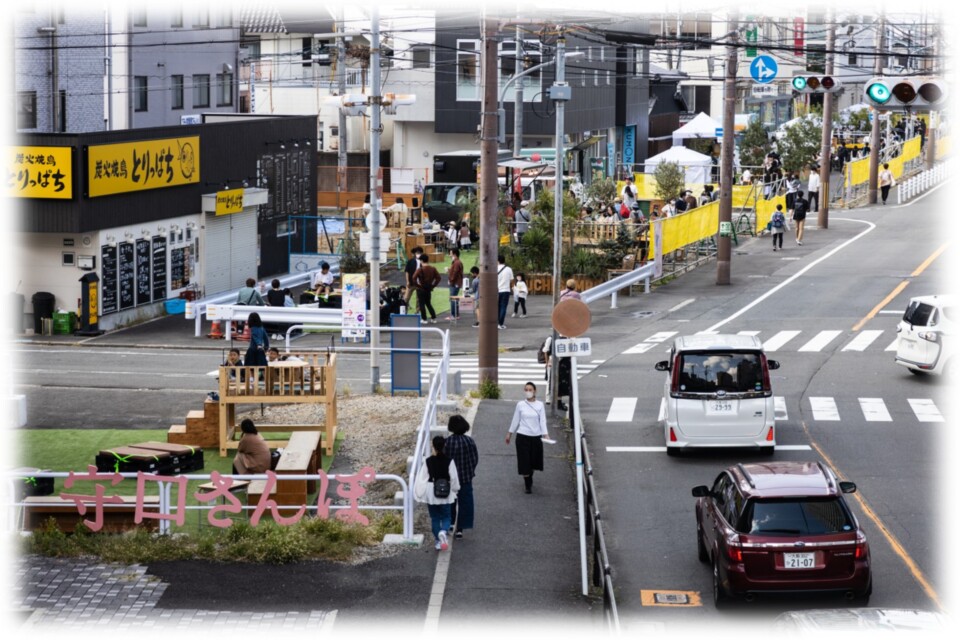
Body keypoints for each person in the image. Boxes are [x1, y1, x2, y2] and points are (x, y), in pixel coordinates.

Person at [414, 435, 460, 551]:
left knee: (434, 517)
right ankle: (443, 531)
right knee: (446, 516)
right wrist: (455, 489)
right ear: (444, 445)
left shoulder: (428, 461)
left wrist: (419, 492)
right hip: (446, 491)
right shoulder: (450, 461)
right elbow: (453, 478)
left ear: (433, 446)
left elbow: (422, 478)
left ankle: (437, 541)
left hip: (431, 491)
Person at [505, 382, 549, 494]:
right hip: (522, 436)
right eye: (526, 389)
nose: (528, 392)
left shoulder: (540, 405)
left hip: (536, 436)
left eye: (530, 389)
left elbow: (542, 420)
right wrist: (510, 433)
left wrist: (545, 434)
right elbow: (516, 419)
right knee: (524, 461)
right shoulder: (520, 405)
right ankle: (527, 485)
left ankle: (529, 476)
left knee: (534, 462)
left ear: (535, 391)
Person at [444, 415, 478, 539]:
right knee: (466, 502)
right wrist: (470, 471)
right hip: (465, 477)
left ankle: (450, 523)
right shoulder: (469, 441)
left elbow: (444, 460)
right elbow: (474, 459)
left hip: (450, 479)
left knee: (450, 502)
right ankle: (461, 528)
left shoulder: (447, 442)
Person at [412, 253, 441, 324]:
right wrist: (433, 285)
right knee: (428, 303)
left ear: (421, 261)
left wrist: (418, 285)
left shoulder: (420, 270)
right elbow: (438, 278)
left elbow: (413, 278)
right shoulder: (433, 269)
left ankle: (424, 319)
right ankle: (433, 317)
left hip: (421, 288)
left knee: (421, 304)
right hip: (428, 288)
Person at [496, 254, 514, 330]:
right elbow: (512, 280)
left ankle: (496, 322)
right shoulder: (509, 269)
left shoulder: (494, 269)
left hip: (496, 290)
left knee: (497, 307)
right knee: (503, 306)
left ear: (497, 261)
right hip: (506, 290)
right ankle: (500, 323)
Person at [447, 248, 464, 323]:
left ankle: (453, 315)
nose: (449, 255)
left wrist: (451, 280)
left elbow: (455, 273)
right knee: (455, 299)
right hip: (456, 283)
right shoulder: (456, 262)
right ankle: (456, 315)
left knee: (453, 299)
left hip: (454, 283)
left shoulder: (456, 262)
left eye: (450, 253)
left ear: (454, 254)